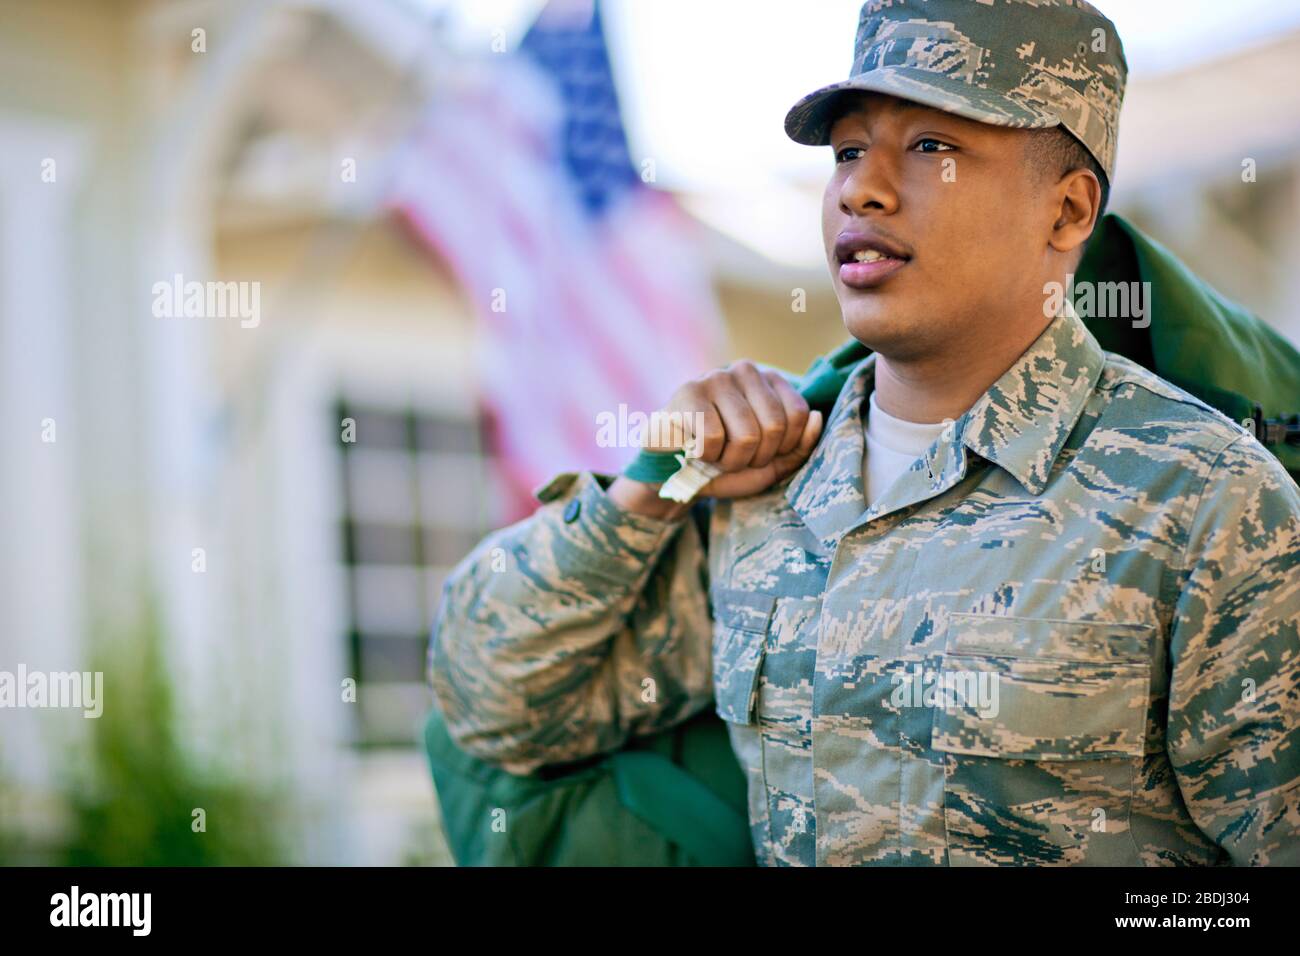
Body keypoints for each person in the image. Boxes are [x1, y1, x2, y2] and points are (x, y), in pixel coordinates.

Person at [429, 0, 1300, 865]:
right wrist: (646, 490)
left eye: (932, 148)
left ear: (1068, 212)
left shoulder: (1204, 502)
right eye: (848, 151)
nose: (860, 186)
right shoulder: (766, 490)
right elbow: (495, 704)